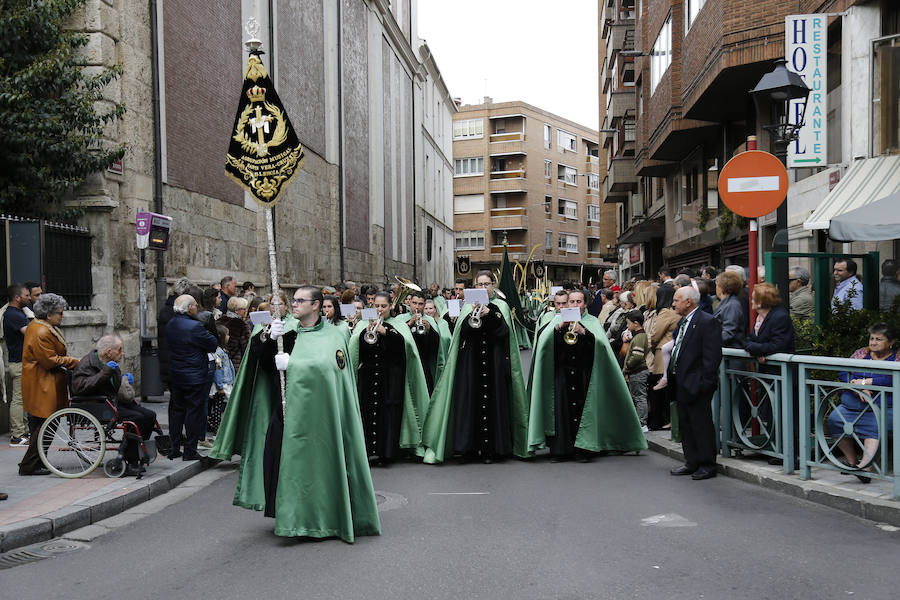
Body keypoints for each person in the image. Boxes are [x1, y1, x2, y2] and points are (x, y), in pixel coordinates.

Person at [209, 285, 381, 542]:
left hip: (321, 417)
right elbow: (262, 362)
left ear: (315, 305)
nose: (295, 304)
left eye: (301, 300)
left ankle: (321, 517)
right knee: (280, 463)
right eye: (294, 300)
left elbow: (332, 369)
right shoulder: (287, 333)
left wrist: (295, 365)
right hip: (287, 412)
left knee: (321, 467)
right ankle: (291, 516)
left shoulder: (333, 336)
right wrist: (266, 338)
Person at [422, 271, 529, 464]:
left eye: (486, 284)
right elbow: (462, 333)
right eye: (479, 284)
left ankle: (492, 449)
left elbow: (505, 334)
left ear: (492, 286)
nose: (482, 288)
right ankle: (468, 448)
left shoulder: (500, 307)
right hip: (471, 364)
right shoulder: (466, 307)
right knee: (469, 403)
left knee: (495, 403)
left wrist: (490, 316)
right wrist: (472, 314)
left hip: (494, 363)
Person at [527, 290, 646, 461]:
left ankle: (583, 449)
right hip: (562, 375)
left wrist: (584, 333)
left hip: (585, 375)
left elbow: (600, 346)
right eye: (572, 302)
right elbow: (544, 343)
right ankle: (562, 450)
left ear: (585, 304)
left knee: (584, 412)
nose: (575, 305)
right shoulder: (557, 321)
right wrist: (560, 328)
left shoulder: (592, 322)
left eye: (579, 302)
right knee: (562, 412)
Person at [348, 291, 430, 464]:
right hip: (369, 375)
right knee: (368, 411)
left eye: (383, 306)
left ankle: (387, 453)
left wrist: (386, 332)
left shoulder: (398, 325)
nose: (379, 309)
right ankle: (369, 450)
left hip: (390, 377)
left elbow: (404, 349)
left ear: (390, 306)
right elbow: (357, 350)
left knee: (389, 412)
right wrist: (367, 333)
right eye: (376, 306)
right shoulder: (364, 324)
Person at [71, 336, 157, 476]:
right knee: (137, 418)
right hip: (97, 405)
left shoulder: (111, 362)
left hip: (112, 402)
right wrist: (105, 372)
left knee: (149, 415)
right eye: (119, 350)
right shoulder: (86, 364)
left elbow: (114, 387)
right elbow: (79, 388)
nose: (122, 353)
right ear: (108, 351)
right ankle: (130, 459)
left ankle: (136, 450)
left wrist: (123, 379)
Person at [18, 293, 81, 476]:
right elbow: (49, 360)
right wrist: (75, 361)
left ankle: (36, 462)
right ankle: (30, 465)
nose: (62, 316)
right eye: (60, 313)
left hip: (45, 382)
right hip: (42, 383)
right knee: (45, 425)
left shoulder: (42, 326)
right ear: (49, 315)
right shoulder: (41, 331)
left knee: (44, 425)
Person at [826, 323, 898, 483]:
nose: (873, 342)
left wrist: (866, 382)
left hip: (885, 407)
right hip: (853, 404)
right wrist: (855, 384)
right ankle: (852, 462)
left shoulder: (897, 357)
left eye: (879, 339)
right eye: (872, 338)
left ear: (891, 342)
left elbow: (891, 379)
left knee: (875, 425)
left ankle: (865, 469)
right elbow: (843, 371)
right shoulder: (861, 353)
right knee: (835, 420)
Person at [667, 286, 723, 481]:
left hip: (697, 384)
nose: (673, 304)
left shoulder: (707, 322)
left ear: (688, 302)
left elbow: (712, 357)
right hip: (681, 381)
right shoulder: (684, 322)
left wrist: (704, 383)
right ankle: (691, 461)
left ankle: (707, 464)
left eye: (676, 300)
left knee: (701, 424)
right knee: (686, 425)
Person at [165, 294, 218, 461]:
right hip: (194, 375)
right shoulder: (195, 327)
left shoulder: (171, 324)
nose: (197, 308)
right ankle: (189, 450)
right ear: (189, 308)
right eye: (195, 305)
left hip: (176, 373)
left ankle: (174, 447)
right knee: (193, 412)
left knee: (177, 411)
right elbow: (212, 343)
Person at [4, 283, 32, 446]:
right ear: (17, 298)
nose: (29, 298)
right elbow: (30, 334)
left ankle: (23, 432)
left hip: (21, 362)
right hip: (19, 363)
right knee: (19, 399)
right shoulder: (14, 315)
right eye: (26, 295)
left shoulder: (17, 313)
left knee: (23, 399)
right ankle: (17, 435)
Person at [647, 284, 678, 429]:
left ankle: (663, 420)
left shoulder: (665, 312)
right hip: (670, 351)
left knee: (662, 390)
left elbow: (655, 334)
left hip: (661, 352)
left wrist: (651, 346)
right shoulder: (674, 312)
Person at [402, 290, 444, 394]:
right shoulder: (400, 318)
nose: (417, 307)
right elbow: (397, 340)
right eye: (414, 303)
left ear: (424, 305)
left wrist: (430, 330)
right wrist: (409, 324)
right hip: (405, 362)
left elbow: (437, 345)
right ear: (409, 303)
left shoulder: (430, 320)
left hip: (424, 362)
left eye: (420, 304)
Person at [157, 278, 193, 392]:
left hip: (170, 361)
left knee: (176, 400)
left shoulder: (165, 311)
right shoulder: (179, 313)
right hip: (179, 363)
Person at [622, 309, 650, 432]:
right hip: (637, 372)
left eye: (628, 323)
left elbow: (637, 356)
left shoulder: (639, 337)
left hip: (637, 371)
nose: (628, 326)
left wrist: (627, 366)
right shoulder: (639, 336)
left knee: (639, 397)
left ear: (636, 323)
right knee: (638, 397)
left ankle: (642, 423)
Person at [714, 270, 747, 349]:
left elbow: (728, 332)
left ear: (722, 287)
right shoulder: (726, 303)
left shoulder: (732, 305)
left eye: (717, 285)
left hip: (731, 352)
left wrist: (709, 341)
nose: (716, 288)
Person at [217, 296, 251, 371]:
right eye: (243, 309)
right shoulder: (242, 324)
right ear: (236, 311)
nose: (246, 311)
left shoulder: (220, 320)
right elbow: (246, 346)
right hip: (236, 362)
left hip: (219, 359)